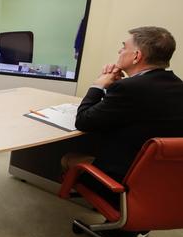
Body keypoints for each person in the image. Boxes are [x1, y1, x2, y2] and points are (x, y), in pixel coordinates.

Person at [63, 26, 183, 208]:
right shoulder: (177, 86)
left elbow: (84, 121)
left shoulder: (129, 89)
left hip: (121, 183)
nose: (119, 51)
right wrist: (115, 87)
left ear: (137, 56)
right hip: (162, 184)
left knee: (68, 159)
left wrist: (98, 84)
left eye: (123, 47)